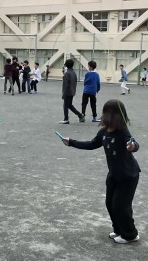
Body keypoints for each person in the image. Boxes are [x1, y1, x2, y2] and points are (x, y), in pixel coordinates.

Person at [59, 99, 140, 244]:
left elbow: (133, 144)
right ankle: (119, 229)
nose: (102, 115)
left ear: (112, 115)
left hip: (128, 176)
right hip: (114, 175)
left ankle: (131, 234)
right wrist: (71, 142)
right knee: (110, 203)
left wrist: (132, 146)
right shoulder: (104, 132)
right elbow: (91, 144)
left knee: (121, 206)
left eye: (104, 112)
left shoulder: (123, 132)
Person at [59, 59, 84, 124]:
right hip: (72, 91)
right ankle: (80, 115)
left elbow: (65, 85)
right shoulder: (74, 73)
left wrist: (64, 94)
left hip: (67, 92)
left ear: (66, 65)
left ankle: (66, 119)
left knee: (65, 105)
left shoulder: (67, 73)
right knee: (69, 105)